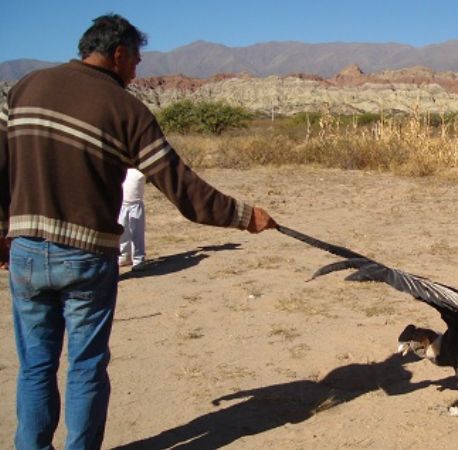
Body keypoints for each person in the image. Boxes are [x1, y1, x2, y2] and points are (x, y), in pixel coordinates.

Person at [0, 14, 277, 449]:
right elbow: (181, 187)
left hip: (27, 252)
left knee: (35, 365)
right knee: (86, 365)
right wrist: (244, 216)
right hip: (86, 256)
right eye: (135, 62)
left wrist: (3, 232)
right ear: (118, 55)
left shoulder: (25, 88)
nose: (136, 70)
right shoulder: (126, 109)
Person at [118, 168, 147, 270]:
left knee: (137, 233)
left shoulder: (141, 171)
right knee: (122, 231)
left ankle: (139, 259)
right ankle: (124, 256)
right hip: (122, 204)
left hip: (136, 205)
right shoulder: (122, 169)